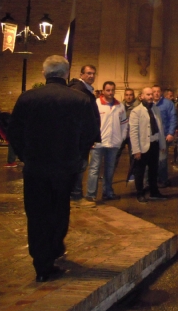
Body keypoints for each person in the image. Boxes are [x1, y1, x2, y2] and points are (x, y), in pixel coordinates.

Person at [7, 55, 98, 282]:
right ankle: (55, 247)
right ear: (66, 74)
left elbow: (14, 132)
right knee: (59, 209)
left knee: (37, 213)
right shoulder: (79, 100)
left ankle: (41, 263)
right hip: (65, 166)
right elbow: (90, 132)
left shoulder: (27, 98)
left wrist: (25, 155)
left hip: (36, 166)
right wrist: (78, 154)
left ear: (44, 73)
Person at [86, 81, 127, 202]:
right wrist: (92, 139)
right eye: (108, 90)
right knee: (94, 169)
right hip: (98, 143)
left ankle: (108, 192)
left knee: (110, 169)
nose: (110, 93)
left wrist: (121, 138)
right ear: (103, 91)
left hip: (114, 143)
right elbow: (90, 123)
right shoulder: (96, 104)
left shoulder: (120, 106)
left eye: (112, 90)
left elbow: (124, 124)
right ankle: (91, 194)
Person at [68, 65, 101, 208]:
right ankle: (75, 195)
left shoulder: (86, 90)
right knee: (79, 166)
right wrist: (88, 135)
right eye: (88, 73)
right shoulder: (79, 90)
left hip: (83, 137)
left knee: (80, 166)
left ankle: (74, 194)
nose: (91, 76)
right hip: (79, 138)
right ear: (81, 74)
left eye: (93, 73)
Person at [129, 87, 168, 203]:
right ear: (141, 96)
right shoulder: (136, 111)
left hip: (154, 144)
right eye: (148, 95)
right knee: (140, 171)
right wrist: (136, 150)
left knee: (153, 170)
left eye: (151, 94)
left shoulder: (156, 109)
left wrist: (162, 145)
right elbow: (133, 132)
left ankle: (154, 192)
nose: (151, 97)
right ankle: (140, 193)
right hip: (142, 146)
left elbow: (160, 128)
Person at [152, 85, 177, 188]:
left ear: (161, 92)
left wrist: (171, 133)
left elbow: (173, 118)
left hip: (164, 136)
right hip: (152, 137)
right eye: (154, 92)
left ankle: (163, 180)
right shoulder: (149, 104)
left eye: (158, 91)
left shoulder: (168, 104)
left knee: (162, 159)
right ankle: (153, 179)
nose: (156, 93)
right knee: (152, 160)